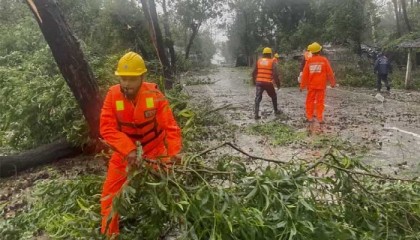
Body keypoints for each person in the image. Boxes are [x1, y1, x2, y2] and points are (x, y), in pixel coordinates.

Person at [99, 51, 182, 237]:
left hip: (154, 151)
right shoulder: (113, 96)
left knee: (167, 188)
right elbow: (106, 128)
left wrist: (175, 152)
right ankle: (110, 235)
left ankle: (165, 225)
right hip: (124, 154)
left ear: (142, 77)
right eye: (123, 78)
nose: (126, 84)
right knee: (109, 197)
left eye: (132, 79)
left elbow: (170, 126)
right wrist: (127, 149)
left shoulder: (155, 95)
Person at [300, 42, 336, 124]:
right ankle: (320, 118)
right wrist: (332, 83)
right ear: (319, 51)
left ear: (311, 52)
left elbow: (305, 74)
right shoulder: (324, 60)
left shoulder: (309, 61)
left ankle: (309, 117)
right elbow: (329, 72)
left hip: (311, 86)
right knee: (320, 102)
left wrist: (302, 86)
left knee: (310, 101)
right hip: (321, 85)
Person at [252, 47, 282, 120]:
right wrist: (278, 85)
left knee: (258, 98)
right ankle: (276, 110)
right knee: (273, 96)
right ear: (270, 54)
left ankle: (256, 114)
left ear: (263, 54)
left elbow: (254, 72)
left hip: (259, 82)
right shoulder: (272, 62)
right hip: (268, 83)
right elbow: (275, 75)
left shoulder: (259, 61)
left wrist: (254, 81)